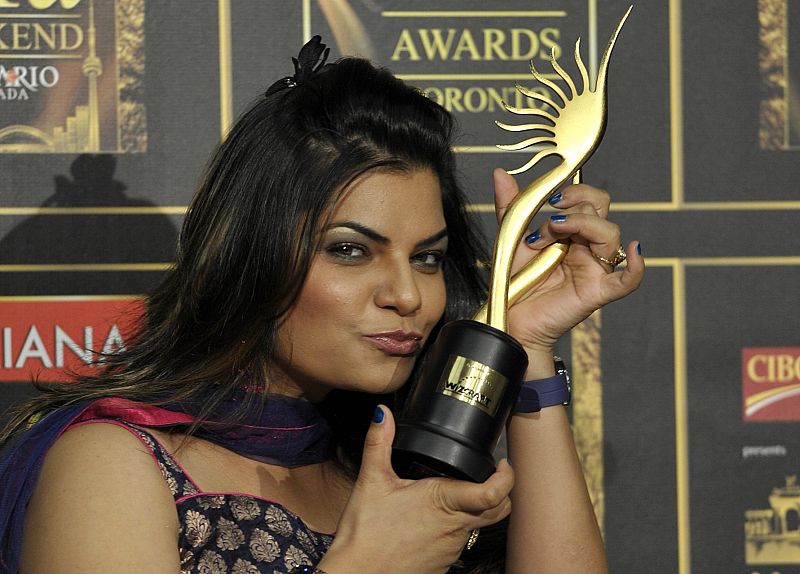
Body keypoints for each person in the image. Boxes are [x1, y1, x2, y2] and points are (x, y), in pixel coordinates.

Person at [0, 36, 644, 574]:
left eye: (426, 257)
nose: (408, 295)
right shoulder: (115, 463)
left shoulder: (397, 466)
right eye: (350, 251)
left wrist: (524, 347)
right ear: (251, 254)